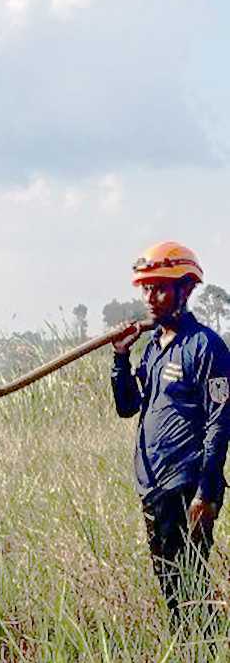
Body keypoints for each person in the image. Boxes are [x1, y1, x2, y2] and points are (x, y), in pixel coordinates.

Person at [110, 242, 230, 626]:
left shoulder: (205, 346)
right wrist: (120, 358)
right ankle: (194, 661)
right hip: (153, 485)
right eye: (146, 288)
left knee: (187, 586)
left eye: (161, 287)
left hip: (187, 483)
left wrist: (207, 493)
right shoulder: (153, 347)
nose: (151, 297)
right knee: (170, 584)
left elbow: (220, 422)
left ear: (187, 289)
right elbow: (128, 406)